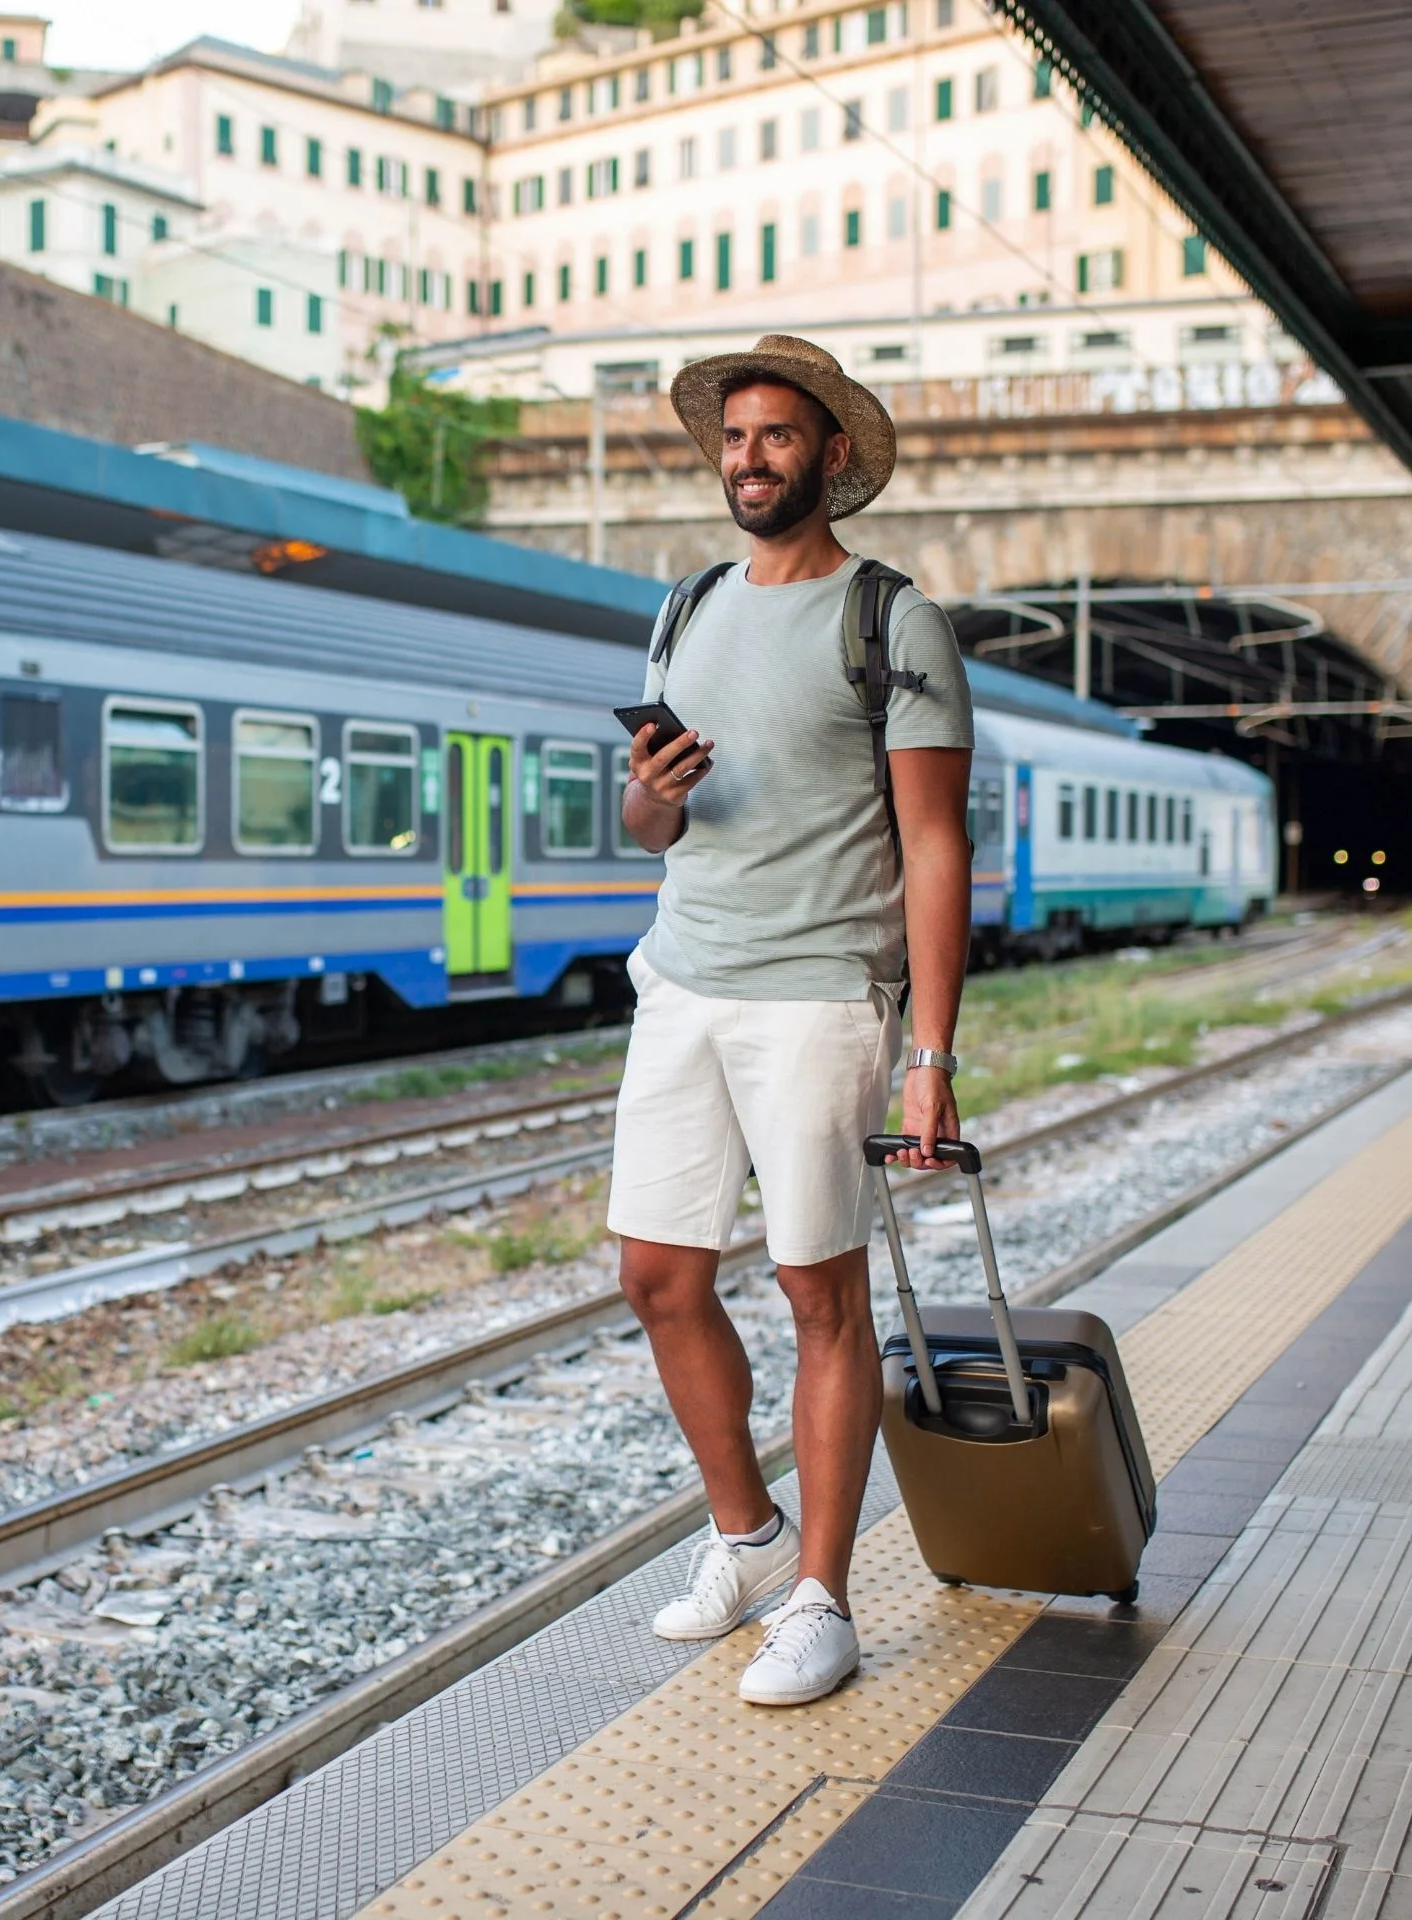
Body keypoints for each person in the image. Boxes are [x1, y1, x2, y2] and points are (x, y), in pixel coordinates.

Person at [611, 334, 973, 1707]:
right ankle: (748, 1536)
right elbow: (649, 826)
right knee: (656, 1275)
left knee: (820, 1293)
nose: (747, 459)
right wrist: (653, 790)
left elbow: (934, 846)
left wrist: (931, 1056)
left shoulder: (892, 621)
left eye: (774, 436)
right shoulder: (687, 607)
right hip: (683, 978)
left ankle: (825, 1599)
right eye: (733, 437)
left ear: (831, 455)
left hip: (821, 993)